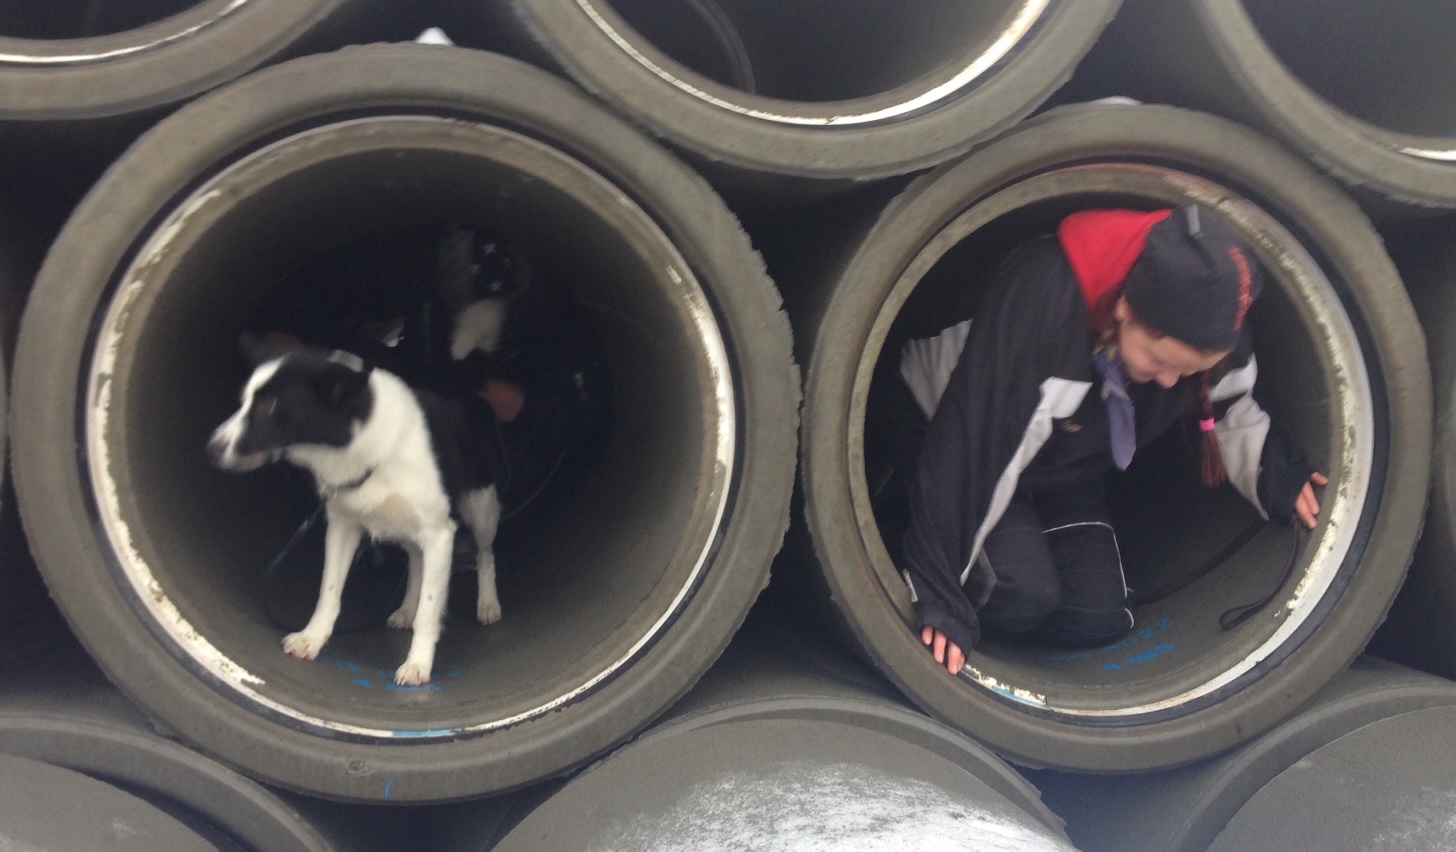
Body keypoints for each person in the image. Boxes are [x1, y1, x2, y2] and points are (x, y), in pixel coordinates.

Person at [892, 205, 1326, 676]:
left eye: (1187, 371)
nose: (1170, 381)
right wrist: (938, 594)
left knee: (1098, 616)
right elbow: (975, 447)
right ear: (1125, 309)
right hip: (961, 434)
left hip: (1062, 456)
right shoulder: (1047, 302)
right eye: (1160, 362)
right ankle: (902, 533)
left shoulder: (1212, 321)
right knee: (1020, 595)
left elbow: (1228, 400)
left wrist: (1277, 473)